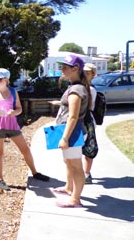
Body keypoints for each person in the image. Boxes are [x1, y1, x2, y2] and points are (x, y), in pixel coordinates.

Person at [0, 68, 49, 191]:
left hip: (12, 125)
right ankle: (0, 180)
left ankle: (35, 173)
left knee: (25, 149)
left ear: (6, 80)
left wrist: (14, 112)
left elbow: (19, 109)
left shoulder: (13, 92)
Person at [53, 54, 89, 208]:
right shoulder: (74, 87)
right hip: (69, 132)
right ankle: (69, 188)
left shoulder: (76, 89)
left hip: (73, 133)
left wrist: (65, 138)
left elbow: (73, 117)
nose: (62, 69)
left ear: (76, 69)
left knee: (76, 166)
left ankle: (75, 199)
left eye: (65, 67)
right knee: (68, 162)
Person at [83, 63, 98, 184]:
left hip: (87, 121)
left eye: (87, 73)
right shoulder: (80, 87)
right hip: (83, 121)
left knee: (88, 148)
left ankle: (86, 174)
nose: (84, 75)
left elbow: (87, 107)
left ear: (93, 75)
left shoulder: (91, 90)